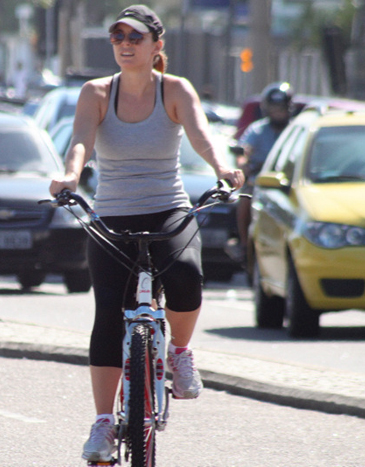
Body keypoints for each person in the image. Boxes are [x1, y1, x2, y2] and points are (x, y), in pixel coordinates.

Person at [48, 5, 244, 463]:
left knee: (187, 277)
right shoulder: (96, 92)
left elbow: (201, 135)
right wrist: (70, 177)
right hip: (112, 214)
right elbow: (81, 141)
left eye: (135, 38)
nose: (125, 45)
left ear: (157, 46)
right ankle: (101, 424)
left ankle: (179, 352)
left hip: (168, 209)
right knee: (108, 317)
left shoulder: (175, 90)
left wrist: (222, 169)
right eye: (118, 38)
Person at [229, 81, 293, 263]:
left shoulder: (295, 130)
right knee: (244, 200)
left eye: (281, 108)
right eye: (274, 108)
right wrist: (244, 165)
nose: (278, 112)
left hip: (286, 183)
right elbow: (244, 150)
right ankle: (243, 243)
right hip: (258, 182)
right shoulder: (257, 130)